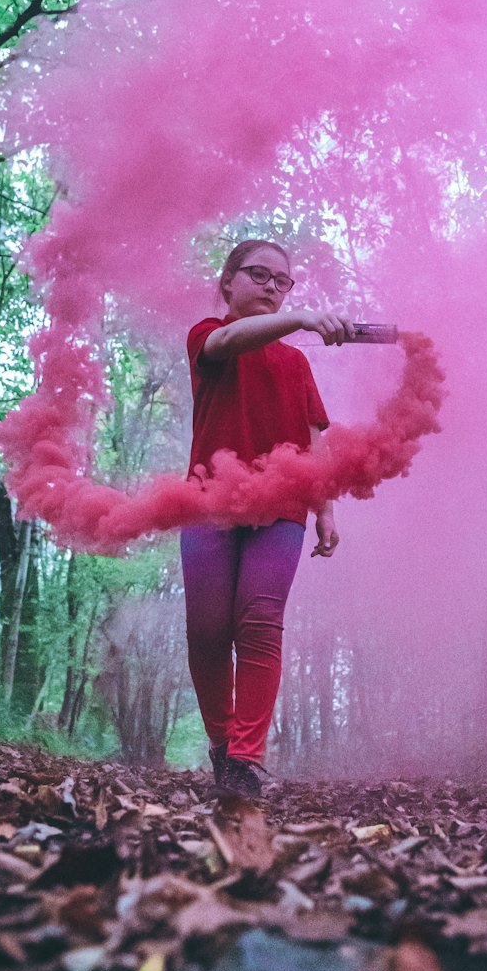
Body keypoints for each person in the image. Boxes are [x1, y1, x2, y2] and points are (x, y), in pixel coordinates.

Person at [181, 238, 354, 800]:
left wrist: (325, 506)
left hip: (282, 511)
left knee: (259, 624)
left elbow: (315, 437)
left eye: (284, 282)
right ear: (227, 281)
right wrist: (302, 317)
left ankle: (245, 761)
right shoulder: (208, 335)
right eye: (261, 275)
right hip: (208, 501)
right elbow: (231, 340)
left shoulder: (296, 361)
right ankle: (221, 741)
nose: (275, 288)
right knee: (208, 631)